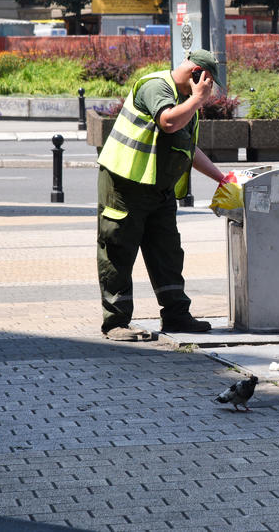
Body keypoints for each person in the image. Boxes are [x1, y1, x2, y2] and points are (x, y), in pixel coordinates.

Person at [96, 50, 228, 341]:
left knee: (167, 252)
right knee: (118, 250)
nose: (208, 87)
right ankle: (115, 322)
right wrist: (198, 99)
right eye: (207, 80)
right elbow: (167, 122)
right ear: (196, 73)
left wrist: (221, 178)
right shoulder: (156, 86)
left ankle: (176, 314)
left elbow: (188, 147)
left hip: (158, 188)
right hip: (125, 184)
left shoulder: (186, 102)